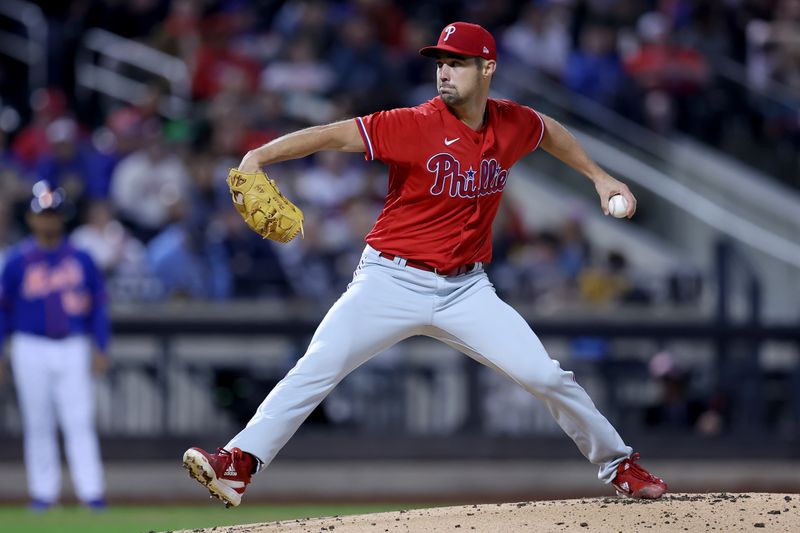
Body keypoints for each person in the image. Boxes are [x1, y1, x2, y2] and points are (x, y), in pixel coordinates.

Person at [183, 22, 668, 507]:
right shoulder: (413, 123)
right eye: (441, 63)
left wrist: (599, 177)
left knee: (545, 376)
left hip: (466, 290)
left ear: (487, 69)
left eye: (457, 63)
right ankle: (238, 464)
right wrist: (258, 155)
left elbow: (549, 132)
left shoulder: (511, 122)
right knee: (318, 364)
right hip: (390, 279)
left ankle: (619, 464)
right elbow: (332, 137)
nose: (445, 73)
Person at [0, 183, 109, 511]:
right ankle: (43, 494)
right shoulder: (17, 260)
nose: (48, 221)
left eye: (53, 214)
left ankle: (91, 493)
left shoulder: (82, 258)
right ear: (32, 219)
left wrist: (100, 346)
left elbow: (99, 306)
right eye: (42, 214)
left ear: (62, 218)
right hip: (28, 344)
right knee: (38, 422)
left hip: (73, 343)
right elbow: (3, 310)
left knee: (79, 421)